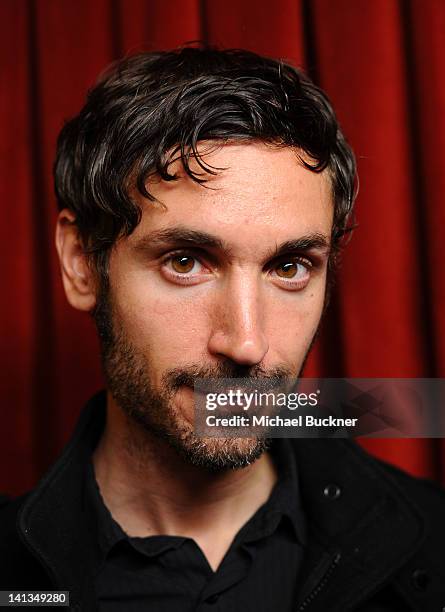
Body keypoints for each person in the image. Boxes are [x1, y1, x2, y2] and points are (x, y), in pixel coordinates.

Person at [1, 47, 444, 611]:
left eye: (288, 267)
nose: (246, 343)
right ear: (81, 261)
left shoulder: (431, 546)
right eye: (185, 261)